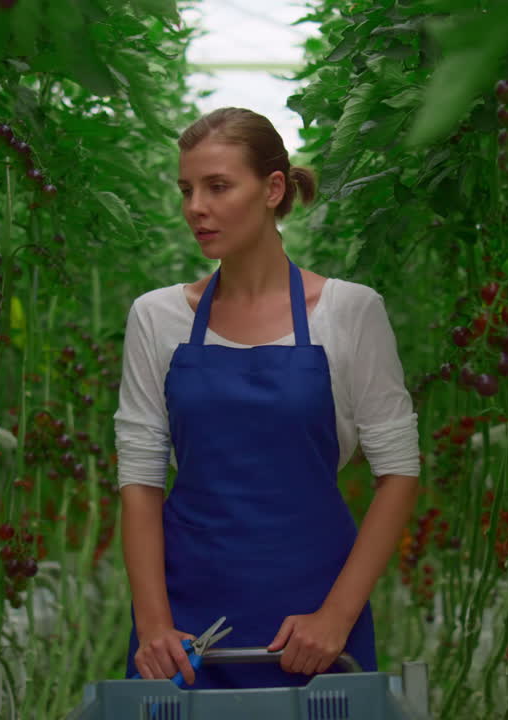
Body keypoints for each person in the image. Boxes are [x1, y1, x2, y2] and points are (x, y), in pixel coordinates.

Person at [115, 107, 420, 690]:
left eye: (218, 186)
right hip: (183, 622)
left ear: (272, 189)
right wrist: (153, 623)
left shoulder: (350, 311)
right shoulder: (156, 318)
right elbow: (140, 479)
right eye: (186, 190)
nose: (195, 207)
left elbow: (399, 472)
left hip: (313, 613)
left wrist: (336, 617)